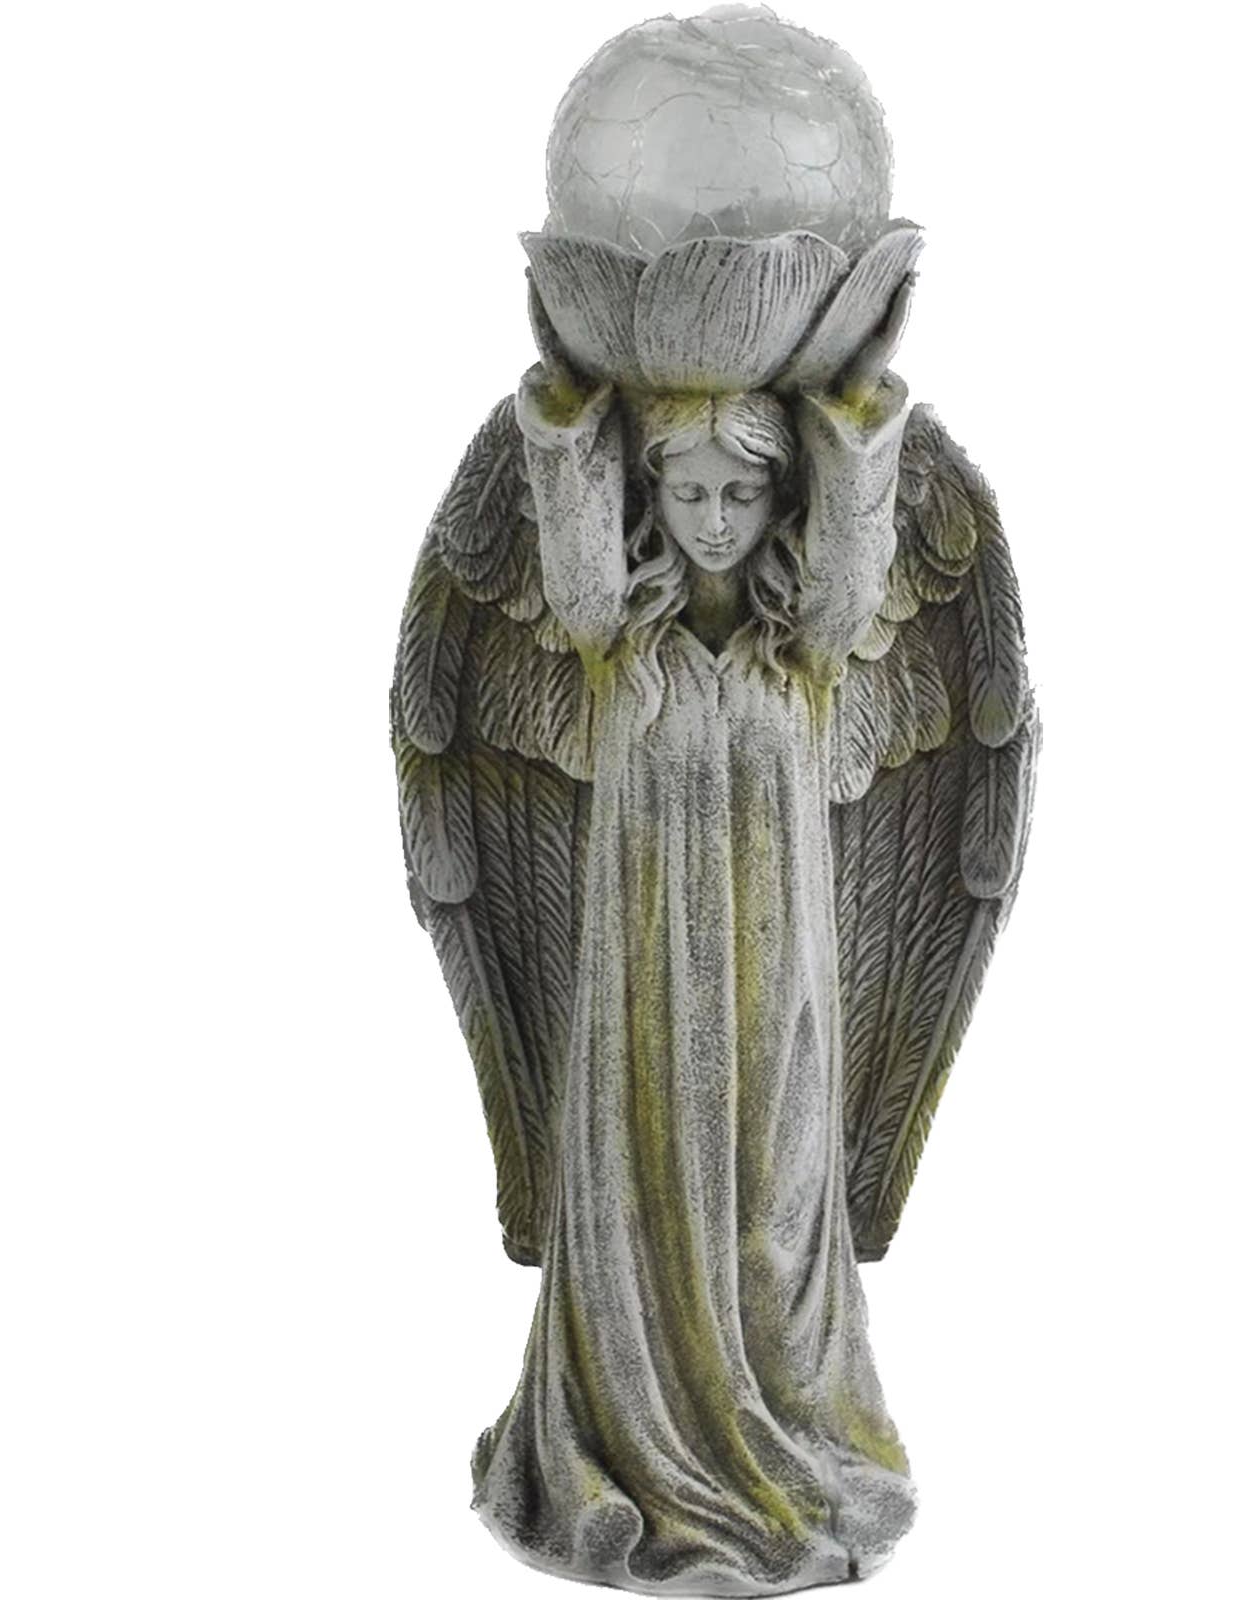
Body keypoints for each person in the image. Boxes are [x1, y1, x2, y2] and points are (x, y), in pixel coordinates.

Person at [470, 283, 919, 1595]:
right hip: (645, 995)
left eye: (740, 493)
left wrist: (849, 391)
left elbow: (853, 554)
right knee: (648, 1206)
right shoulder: (620, 640)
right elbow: (573, 538)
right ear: (650, 496)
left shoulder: (806, 649)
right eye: (687, 492)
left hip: (779, 993)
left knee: (773, 1218)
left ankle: (789, 1448)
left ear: (779, 501)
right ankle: (640, 1454)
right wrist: (573, 392)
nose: (714, 520)